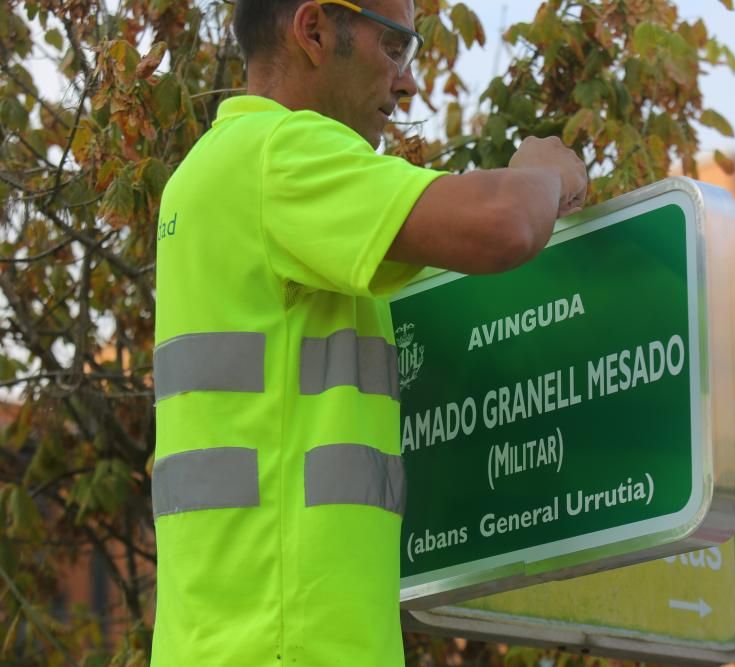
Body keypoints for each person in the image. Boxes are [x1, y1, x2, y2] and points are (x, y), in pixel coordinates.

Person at [150, 0, 587, 664]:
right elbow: (505, 224)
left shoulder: (201, 178)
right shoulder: (279, 153)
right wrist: (541, 170)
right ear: (315, 29)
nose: (408, 83)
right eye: (394, 49)